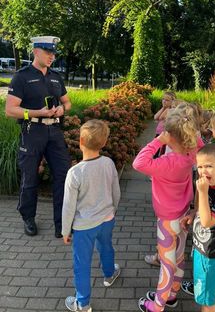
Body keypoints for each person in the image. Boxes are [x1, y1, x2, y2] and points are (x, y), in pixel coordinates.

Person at [133, 104, 199, 312]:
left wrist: (157, 140)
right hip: (184, 215)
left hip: (166, 221)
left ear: (169, 136)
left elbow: (138, 163)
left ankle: (158, 304)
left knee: (166, 262)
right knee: (179, 258)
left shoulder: (165, 163)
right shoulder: (190, 157)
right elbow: (198, 144)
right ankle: (172, 295)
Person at [5, 36, 71, 238]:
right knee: (30, 177)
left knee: (63, 175)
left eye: (53, 53)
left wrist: (62, 109)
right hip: (32, 132)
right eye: (47, 52)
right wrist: (37, 113)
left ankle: (62, 223)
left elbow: (67, 103)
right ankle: (28, 218)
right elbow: (10, 110)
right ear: (35, 51)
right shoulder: (22, 77)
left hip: (55, 133)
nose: (51, 56)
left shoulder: (55, 76)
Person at [63, 119, 121, 312]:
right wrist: (113, 210)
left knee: (82, 264)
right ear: (104, 143)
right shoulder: (108, 163)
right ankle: (109, 274)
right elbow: (116, 192)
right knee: (106, 246)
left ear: (80, 141)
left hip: (84, 226)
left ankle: (83, 303)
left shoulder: (75, 173)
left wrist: (65, 230)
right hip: (107, 219)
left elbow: (69, 206)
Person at [182, 144, 215, 312]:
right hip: (200, 250)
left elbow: (207, 222)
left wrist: (203, 192)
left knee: (208, 302)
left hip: (211, 256)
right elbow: (201, 209)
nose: (203, 171)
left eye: (209, 166)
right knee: (203, 295)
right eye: (199, 166)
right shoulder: (211, 185)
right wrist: (193, 214)